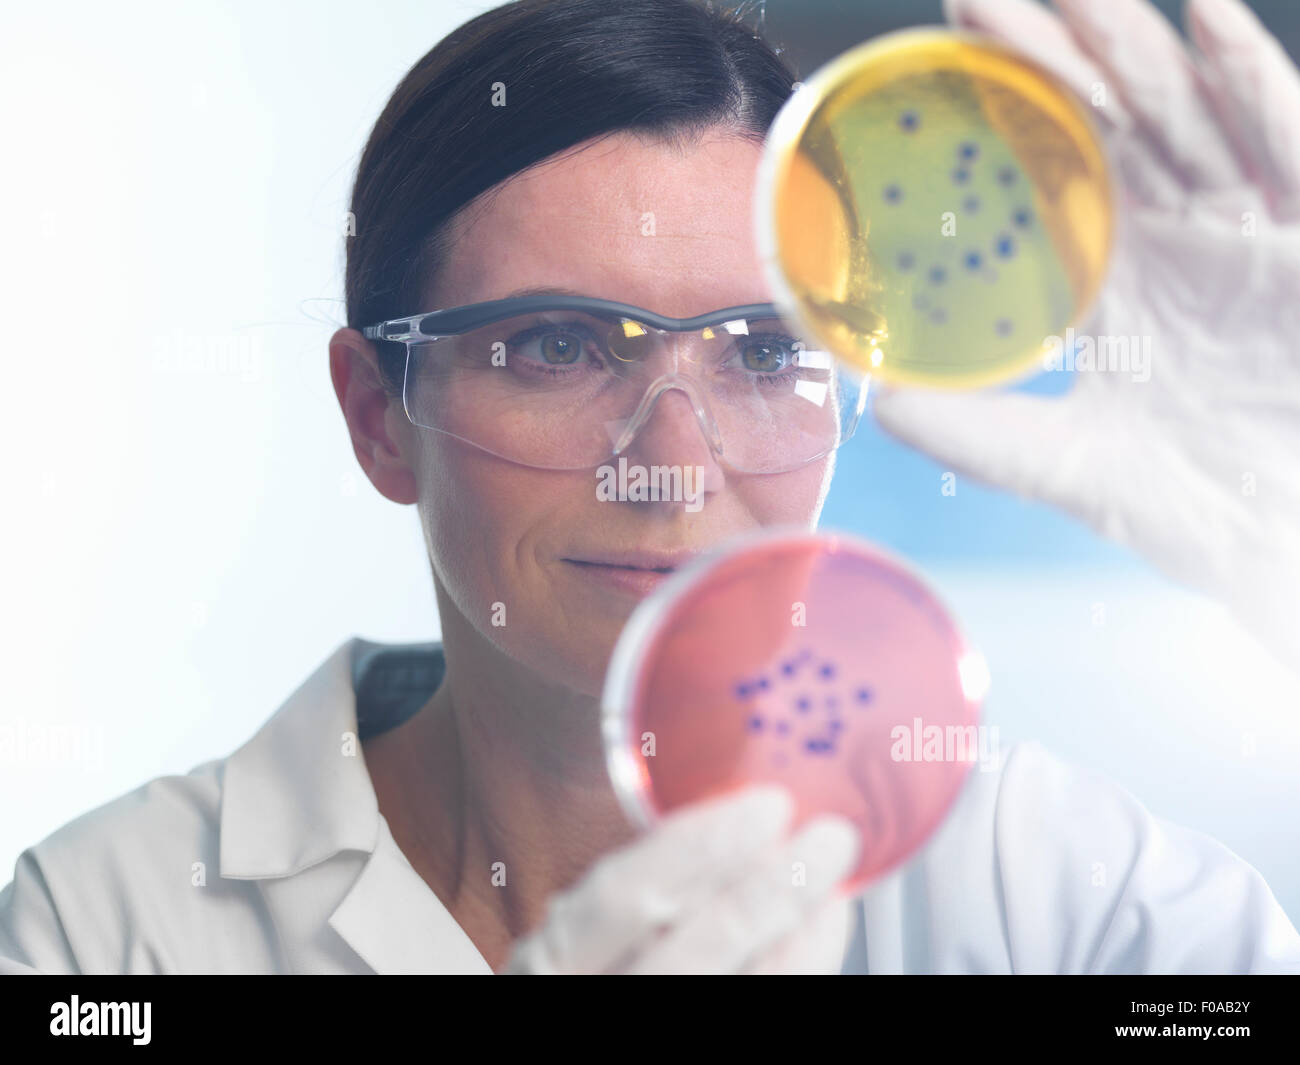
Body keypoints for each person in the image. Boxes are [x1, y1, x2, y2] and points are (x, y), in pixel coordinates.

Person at [2, 0, 1298, 975]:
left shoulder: (1059, 892)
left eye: (764, 349)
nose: (672, 461)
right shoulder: (112, 927)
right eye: (556, 345)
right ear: (377, 417)